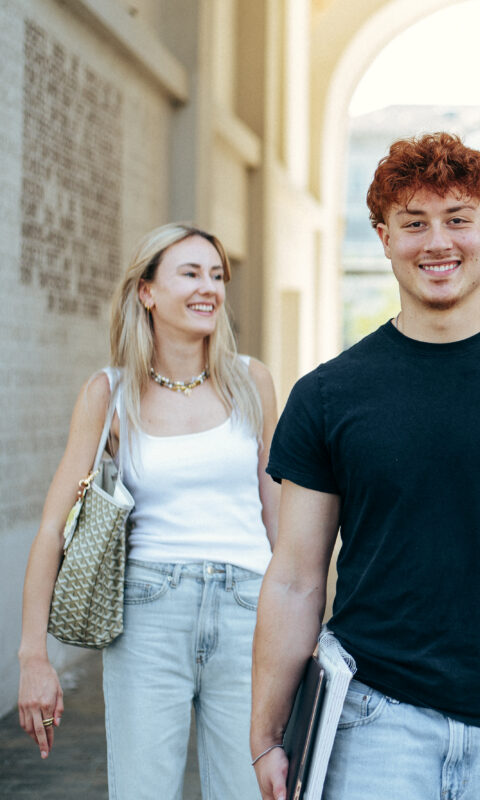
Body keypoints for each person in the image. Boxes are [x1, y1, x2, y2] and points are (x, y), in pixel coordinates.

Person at [250, 132, 480, 800]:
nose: (438, 242)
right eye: (414, 223)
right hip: (374, 722)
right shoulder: (329, 395)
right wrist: (268, 734)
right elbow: (297, 577)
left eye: (458, 220)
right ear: (383, 236)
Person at [17, 223, 279, 798]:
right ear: (147, 292)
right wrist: (34, 656)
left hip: (248, 611)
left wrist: (301, 624)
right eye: (189, 273)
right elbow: (52, 530)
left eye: (216, 275)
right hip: (148, 613)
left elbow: (277, 516)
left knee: (249, 790)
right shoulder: (109, 393)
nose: (208, 286)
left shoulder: (251, 381)